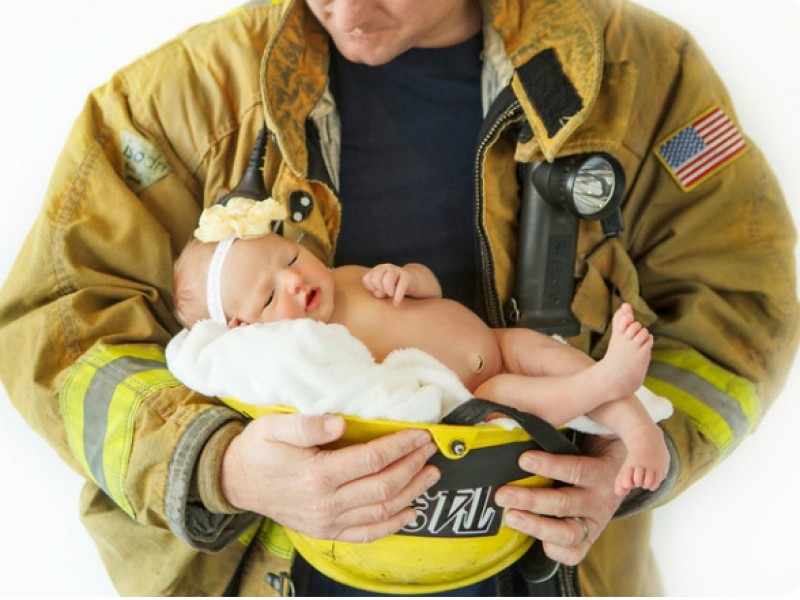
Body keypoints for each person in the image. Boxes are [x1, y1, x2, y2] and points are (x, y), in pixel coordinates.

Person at [0, 0, 796, 596]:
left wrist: (628, 454)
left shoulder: (647, 80)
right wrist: (221, 464)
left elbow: (741, 297)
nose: (348, 10)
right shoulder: (170, 108)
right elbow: (60, 330)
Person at [171, 213, 671, 496]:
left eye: (292, 257)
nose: (296, 281)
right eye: (268, 296)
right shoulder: (314, 351)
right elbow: (362, 394)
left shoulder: (346, 276)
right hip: (474, 397)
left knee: (546, 352)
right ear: (245, 331)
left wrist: (407, 276)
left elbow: (430, 289)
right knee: (515, 396)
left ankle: (639, 431)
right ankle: (605, 382)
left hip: (497, 341)